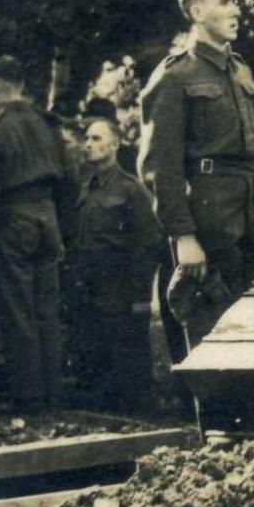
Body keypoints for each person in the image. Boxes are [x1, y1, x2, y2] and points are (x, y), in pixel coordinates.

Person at [138, 0, 254, 350]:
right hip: (208, 209)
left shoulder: (241, 71)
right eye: (225, 2)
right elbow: (160, 166)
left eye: (236, 1)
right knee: (211, 317)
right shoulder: (175, 76)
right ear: (195, 12)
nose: (236, 10)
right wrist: (183, 235)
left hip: (252, 207)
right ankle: (220, 411)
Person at [0, 54, 77, 411]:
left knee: (18, 310)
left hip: (14, 219)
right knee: (47, 309)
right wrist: (61, 223)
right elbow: (70, 180)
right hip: (48, 218)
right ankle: (53, 393)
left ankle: (28, 396)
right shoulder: (48, 125)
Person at [70, 116, 163, 413]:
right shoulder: (86, 188)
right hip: (90, 284)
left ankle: (139, 412)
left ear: (115, 144)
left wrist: (141, 296)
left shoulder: (131, 190)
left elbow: (148, 245)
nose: (88, 144)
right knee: (95, 350)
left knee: (128, 355)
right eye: (86, 139)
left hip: (120, 286)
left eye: (96, 138)